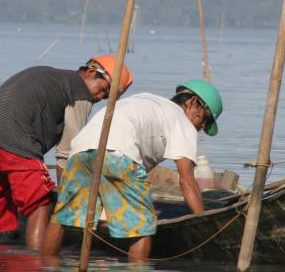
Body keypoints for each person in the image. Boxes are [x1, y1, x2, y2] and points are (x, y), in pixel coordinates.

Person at [41, 79, 223, 260]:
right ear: (191, 103)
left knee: (62, 218)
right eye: (204, 120)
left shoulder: (148, 100)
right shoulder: (182, 122)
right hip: (119, 154)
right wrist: (205, 224)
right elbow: (187, 180)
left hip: (80, 150)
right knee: (142, 228)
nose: (202, 127)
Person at [0, 55, 133, 248]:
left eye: (106, 97)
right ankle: (36, 266)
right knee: (41, 204)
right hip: (15, 140)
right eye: (102, 89)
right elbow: (68, 153)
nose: (99, 98)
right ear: (90, 72)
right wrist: (66, 201)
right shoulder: (79, 93)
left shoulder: (55, 77)